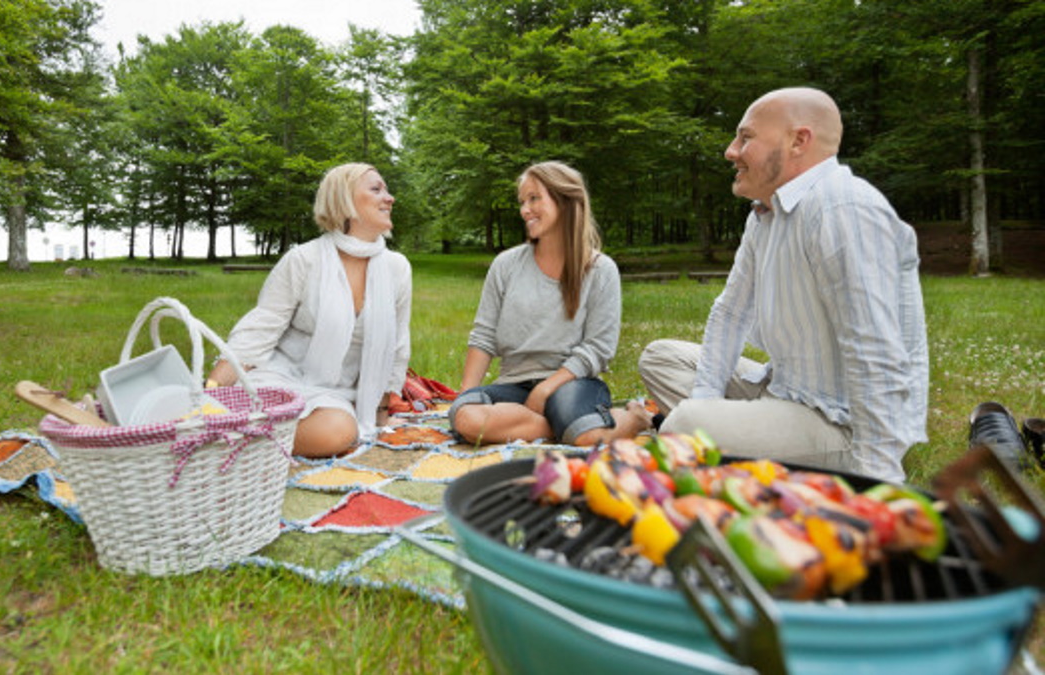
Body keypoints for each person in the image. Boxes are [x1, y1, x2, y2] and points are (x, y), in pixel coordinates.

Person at [637, 87, 928, 483]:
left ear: (799, 141)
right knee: (660, 358)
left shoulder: (844, 208)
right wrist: (709, 403)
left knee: (685, 423)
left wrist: (876, 477)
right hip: (784, 389)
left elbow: (874, 349)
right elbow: (731, 312)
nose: (730, 150)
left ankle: (738, 442)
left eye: (746, 137)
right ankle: (728, 433)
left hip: (841, 423)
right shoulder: (765, 213)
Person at [205, 163, 412, 458]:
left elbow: (396, 347)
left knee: (338, 431)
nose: (389, 198)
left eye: (386, 190)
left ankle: (226, 436)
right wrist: (210, 391)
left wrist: (378, 416)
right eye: (376, 189)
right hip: (281, 380)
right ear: (345, 200)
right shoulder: (304, 259)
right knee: (333, 431)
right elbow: (258, 332)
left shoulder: (397, 269)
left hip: (338, 397)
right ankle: (211, 425)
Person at [449, 161, 654, 447]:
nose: (524, 210)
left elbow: (598, 347)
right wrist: (465, 398)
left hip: (571, 384)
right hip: (513, 386)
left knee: (586, 438)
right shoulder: (505, 265)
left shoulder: (600, 269)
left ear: (566, 201)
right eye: (522, 201)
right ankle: (563, 427)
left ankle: (634, 417)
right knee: (468, 421)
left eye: (534, 198)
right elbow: (483, 337)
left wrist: (545, 389)